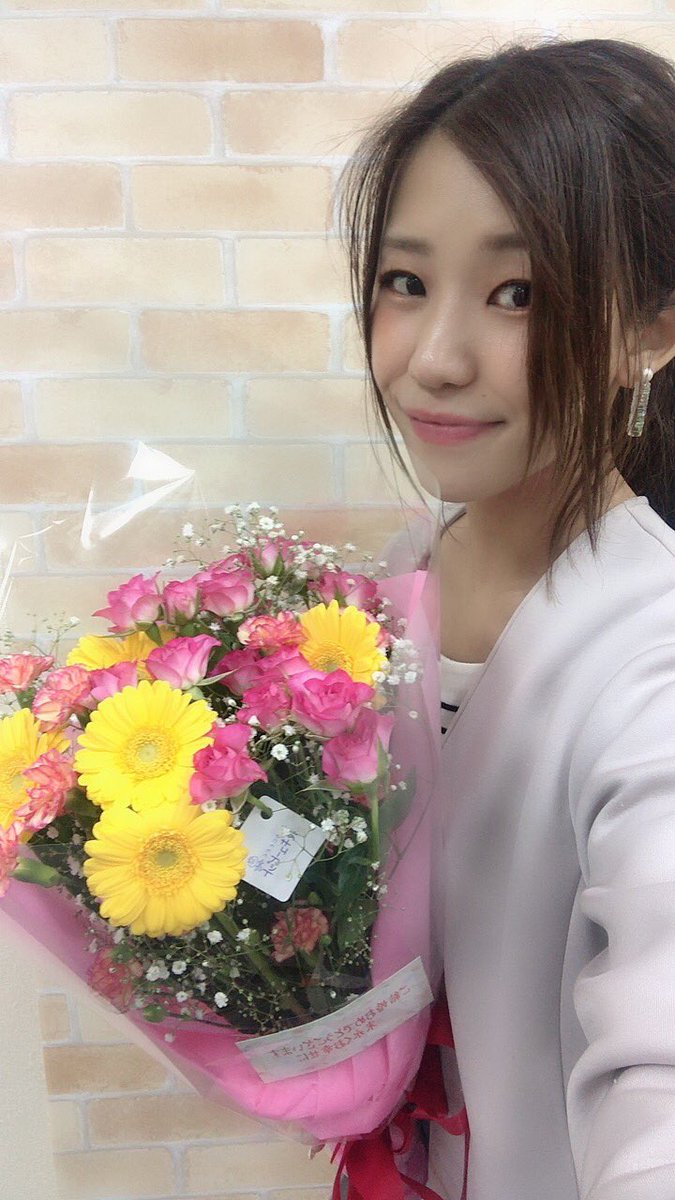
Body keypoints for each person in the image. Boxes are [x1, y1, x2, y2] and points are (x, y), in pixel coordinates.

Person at [338, 36, 675, 1200]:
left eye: (516, 294)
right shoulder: (401, 579)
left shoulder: (654, 662)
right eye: (406, 281)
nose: (435, 358)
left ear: (653, 329)